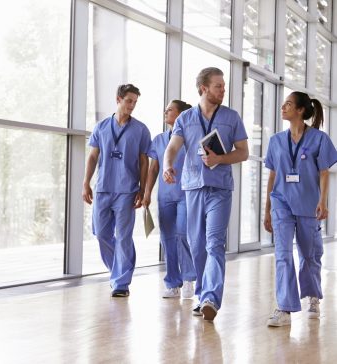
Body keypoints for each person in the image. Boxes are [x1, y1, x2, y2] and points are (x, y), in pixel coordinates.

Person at [163, 67, 249, 321]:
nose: (223, 90)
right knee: (197, 245)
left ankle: (211, 296)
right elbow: (173, 147)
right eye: (218, 86)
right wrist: (168, 165)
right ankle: (203, 295)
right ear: (203, 88)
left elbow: (243, 152)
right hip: (192, 188)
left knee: (214, 243)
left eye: (223, 86)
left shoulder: (232, 118)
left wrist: (220, 158)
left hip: (220, 189)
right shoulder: (185, 118)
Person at [264, 91, 337, 327]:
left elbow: (324, 172)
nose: (283, 107)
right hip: (281, 203)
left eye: (288, 104)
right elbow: (273, 175)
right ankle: (284, 307)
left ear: (301, 111)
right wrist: (267, 209)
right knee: (283, 255)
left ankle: (313, 295)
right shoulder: (275, 141)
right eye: (283, 103)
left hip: (308, 203)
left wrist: (323, 201)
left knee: (309, 255)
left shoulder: (319, 139)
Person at [82, 84, 151, 298]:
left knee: (123, 237)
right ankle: (117, 271)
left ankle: (121, 282)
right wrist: (86, 182)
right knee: (101, 233)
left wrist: (142, 188)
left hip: (127, 190)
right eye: (129, 101)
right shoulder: (101, 127)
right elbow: (93, 156)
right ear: (118, 99)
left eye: (135, 102)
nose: (132, 106)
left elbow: (144, 162)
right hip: (103, 188)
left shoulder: (140, 129)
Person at [142, 100, 196, 299]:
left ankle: (189, 278)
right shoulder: (158, 140)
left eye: (170, 109)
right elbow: (153, 168)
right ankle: (173, 282)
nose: (166, 111)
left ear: (181, 114)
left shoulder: (190, 138)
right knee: (167, 239)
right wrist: (147, 193)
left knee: (182, 234)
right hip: (165, 197)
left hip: (186, 194)